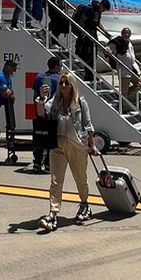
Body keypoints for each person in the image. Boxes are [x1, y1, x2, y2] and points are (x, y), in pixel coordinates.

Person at [39, 72, 97, 232]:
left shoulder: (80, 102)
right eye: (62, 83)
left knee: (80, 177)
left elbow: (88, 125)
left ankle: (85, 204)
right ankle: (53, 212)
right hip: (57, 144)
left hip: (77, 144)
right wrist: (41, 99)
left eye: (67, 83)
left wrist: (92, 145)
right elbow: (41, 113)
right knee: (55, 180)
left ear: (72, 85)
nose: (63, 85)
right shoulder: (55, 101)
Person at [31, 55, 62, 173]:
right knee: (51, 138)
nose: (61, 66)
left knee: (39, 136)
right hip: (52, 114)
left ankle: (37, 162)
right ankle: (49, 164)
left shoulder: (39, 77)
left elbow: (35, 95)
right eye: (60, 64)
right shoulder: (58, 79)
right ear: (56, 66)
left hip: (39, 111)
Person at [108, 27, 141, 106]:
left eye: (128, 33)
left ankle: (122, 97)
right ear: (122, 34)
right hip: (124, 71)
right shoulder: (117, 42)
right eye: (125, 33)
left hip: (132, 69)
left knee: (138, 85)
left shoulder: (129, 43)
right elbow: (109, 48)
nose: (126, 35)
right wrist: (108, 50)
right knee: (124, 90)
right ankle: (123, 106)